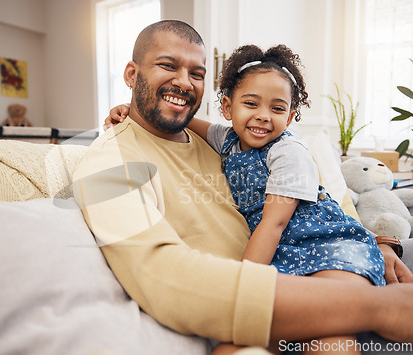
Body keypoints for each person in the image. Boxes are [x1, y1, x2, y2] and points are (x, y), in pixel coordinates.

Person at [74, 20, 413, 353]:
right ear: (132, 75)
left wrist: (376, 243)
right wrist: (377, 305)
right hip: (263, 300)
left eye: (197, 74)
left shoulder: (226, 140)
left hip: (329, 263)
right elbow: (162, 280)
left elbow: (317, 209)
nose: (183, 83)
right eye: (168, 66)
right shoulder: (109, 161)